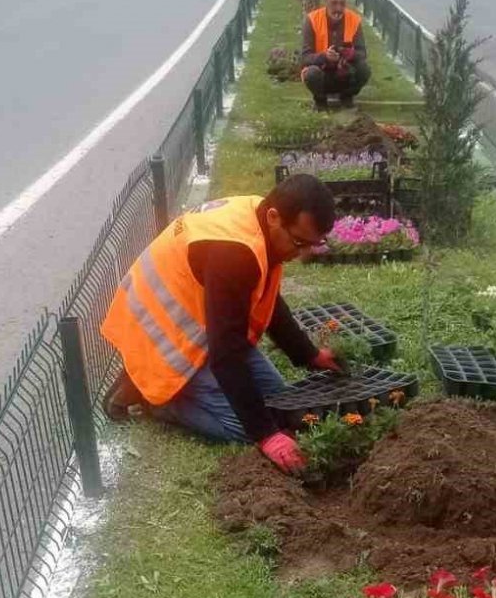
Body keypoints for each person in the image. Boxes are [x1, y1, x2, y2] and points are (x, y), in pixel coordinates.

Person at [100, 177, 342, 474]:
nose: (303, 254)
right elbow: (226, 352)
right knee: (245, 429)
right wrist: (266, 436)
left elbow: (267, 298)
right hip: (161, 335)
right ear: (274, 217)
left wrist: (308, 354)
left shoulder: (260, 219)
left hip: (198, 323)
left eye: (313, 245)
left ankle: (160, 386)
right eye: (299, 242)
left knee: (279, 401)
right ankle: (154, 398)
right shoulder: (233, 253)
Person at [301, 0, 371, 111]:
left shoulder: (354, 20)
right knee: (311, 73)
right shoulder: (312, 20)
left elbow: (363, 53)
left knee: (364, 69)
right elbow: (305, 57)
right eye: (334, 3)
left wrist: (350, 54)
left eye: (342, 4)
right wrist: (325, 56)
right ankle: (320, 102)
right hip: (322, 74)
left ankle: (347, 97)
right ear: (326, 1)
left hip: (345, 74)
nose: (338, 8)